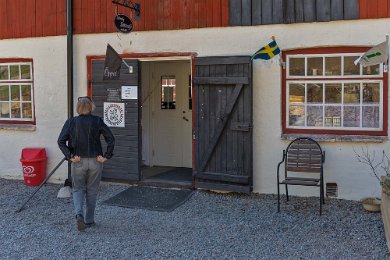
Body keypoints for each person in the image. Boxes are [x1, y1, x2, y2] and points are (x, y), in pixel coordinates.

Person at [58, 96, 115, 231]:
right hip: (95, 161)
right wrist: (106, 156)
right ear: (91, 107)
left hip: (78, 161)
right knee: (92, 190)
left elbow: (61, 141)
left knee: (78, 189)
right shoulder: (97, 121)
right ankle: (89, 220)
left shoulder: (71, 122)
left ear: (78, 108)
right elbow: (111, 139)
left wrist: (70, 156)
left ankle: (79, 214)